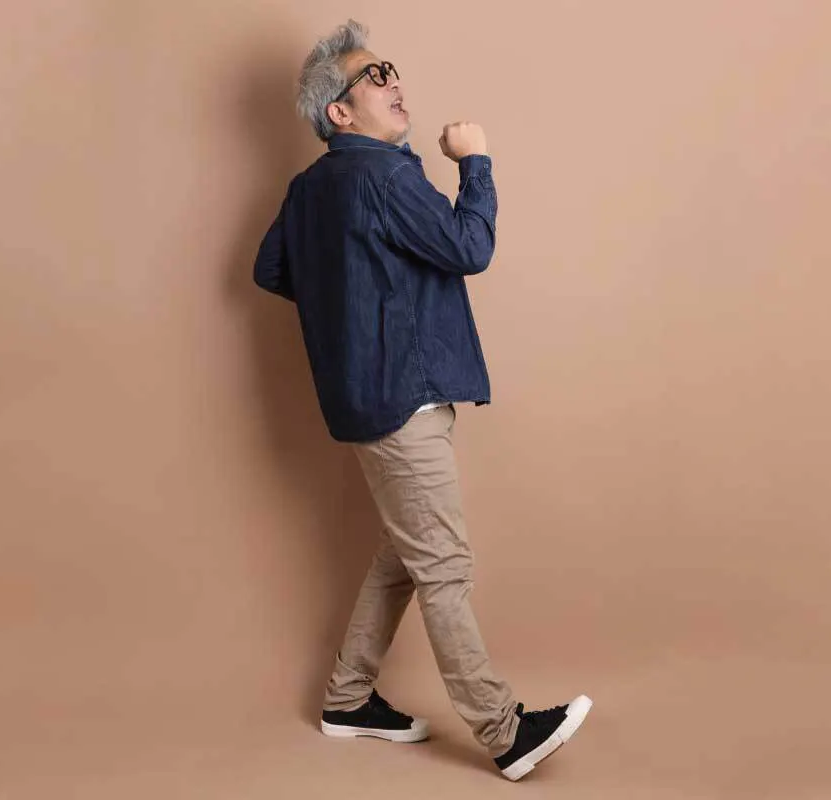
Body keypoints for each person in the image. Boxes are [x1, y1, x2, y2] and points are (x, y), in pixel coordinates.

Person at [253, 19, 591, 781]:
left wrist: (352, 309)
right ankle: (505, 732)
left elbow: (272, 270)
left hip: (364, 397)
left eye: (392, 70)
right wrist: (475, 163)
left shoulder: (310, 188)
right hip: (404, 396)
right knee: (443, 564)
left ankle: (347, 699)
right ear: (340, 112)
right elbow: (470, 248)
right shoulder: (386, 175)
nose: (394, 81)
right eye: (374, 76)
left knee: (404, 552)